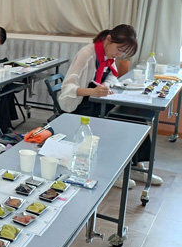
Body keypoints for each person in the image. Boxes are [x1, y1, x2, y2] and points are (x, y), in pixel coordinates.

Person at [58, 24, 161, 188]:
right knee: (119, 122)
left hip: (96, 100)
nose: (119, 54)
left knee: (136, 114)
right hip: (81, 105)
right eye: (119, 49)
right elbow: (67, 89)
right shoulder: (88, 54)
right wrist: (93, 91)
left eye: (122, 52)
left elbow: (113, 75)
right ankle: (113, 170)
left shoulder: (107, 56)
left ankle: (135, 165)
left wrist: (105, 84)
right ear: (108, 39)